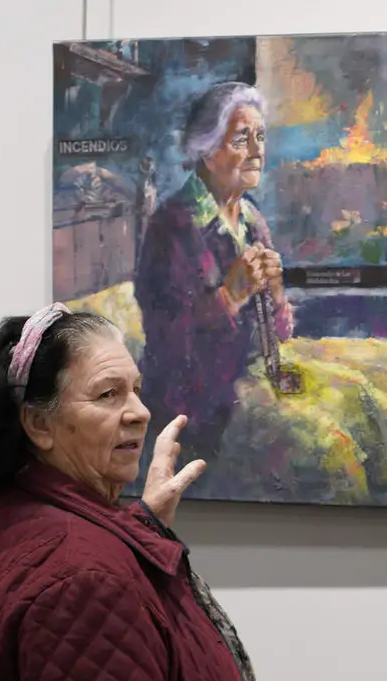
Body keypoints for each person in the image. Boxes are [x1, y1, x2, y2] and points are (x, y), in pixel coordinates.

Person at [0, 304, 272, 681]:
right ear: (38, 423)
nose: (140, 412)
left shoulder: (3, 512)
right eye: (108, 394)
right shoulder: (83, 581)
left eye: (136, 390)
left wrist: (142, 529)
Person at [134, 80, 293, 463]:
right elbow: (167, 339)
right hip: (193, 402)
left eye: (260, 137)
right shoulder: (172, 225)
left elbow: (281, 334)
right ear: (207, 151)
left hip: (246, 379)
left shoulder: (253, 220)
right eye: (241, 139)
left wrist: (275, 293)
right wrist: (229, 296)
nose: (257, 152)